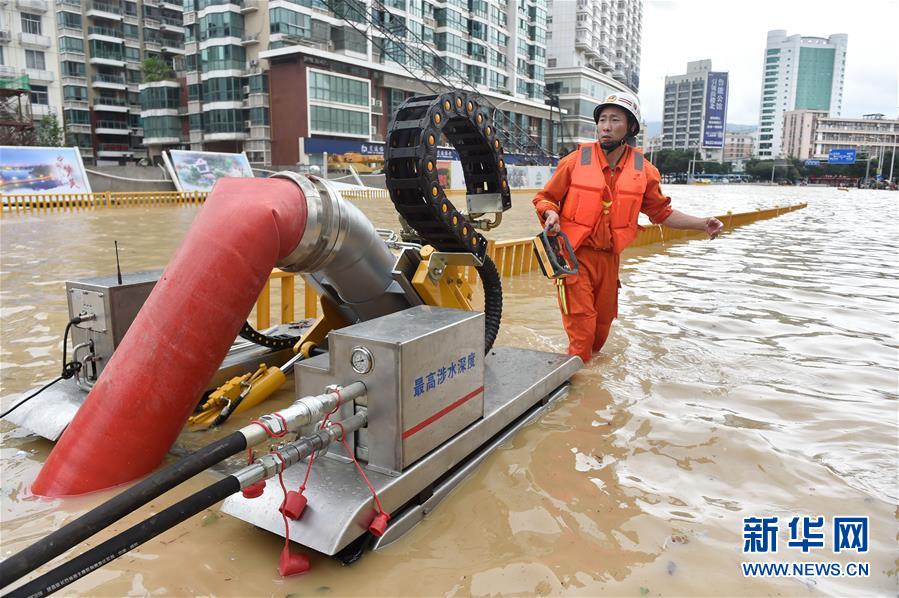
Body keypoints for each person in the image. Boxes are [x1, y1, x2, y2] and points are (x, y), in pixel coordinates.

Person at [532, 92, 724, 363]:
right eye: (602, 120)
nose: (606, 127)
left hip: (610, 262)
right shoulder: (574, 162)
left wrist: (702, 224)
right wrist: (550, 212)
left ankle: (591, 390)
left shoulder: (644, 172)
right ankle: (575, 390)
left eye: (614, 120)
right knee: (583, 333)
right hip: (575, 257)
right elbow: (545, 197)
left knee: (600, 334)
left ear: (631, 127)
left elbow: (662, 213)